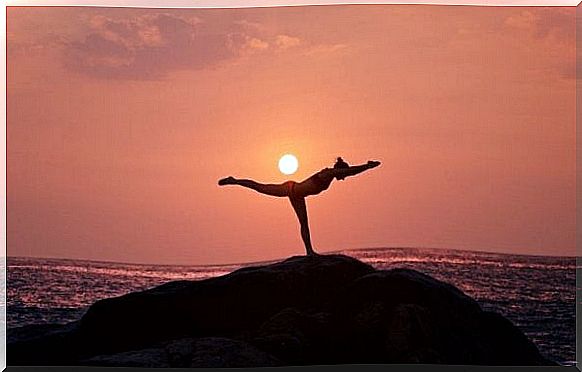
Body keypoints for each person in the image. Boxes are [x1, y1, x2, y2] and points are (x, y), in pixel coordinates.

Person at [218, 157, 381, 255]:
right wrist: (367, 166)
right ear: (340, 171)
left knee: (304, 223)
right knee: (260, 187)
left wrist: (366, 166)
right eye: (342, 174)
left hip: (297, 194)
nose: (343, 178)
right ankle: (234, 180)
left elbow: (349, 173)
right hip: (291, 189)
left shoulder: (330, 175)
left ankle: (309, 251)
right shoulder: (329, 173)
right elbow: (351, 171)